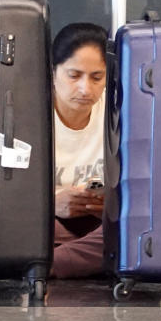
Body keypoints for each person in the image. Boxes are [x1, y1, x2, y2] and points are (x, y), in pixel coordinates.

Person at [50, 22, 109, 279]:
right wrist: (50, 203)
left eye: (97, 77)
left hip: (95, 222)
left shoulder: (116, 110)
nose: (86, 89)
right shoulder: (25, 112)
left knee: (130, 228)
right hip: (45, 219)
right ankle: (63, 261)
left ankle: (41, 264)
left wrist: (105, 199)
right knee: (17, 228)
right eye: (74, 76)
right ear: (53, 72)